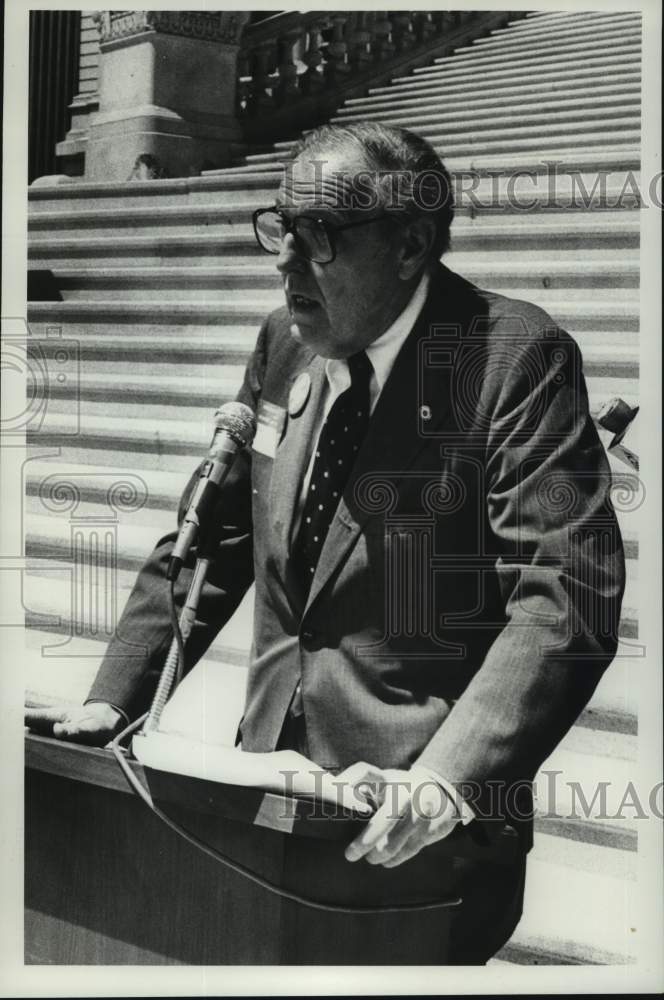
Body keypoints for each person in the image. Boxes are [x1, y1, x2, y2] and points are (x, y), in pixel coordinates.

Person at [29, 122, 625, 963]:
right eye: (280, 230)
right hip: (263, 808)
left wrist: (441, 782)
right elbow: (213, 540)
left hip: (413, 833)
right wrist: (114, 697)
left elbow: (565, 597)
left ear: (411, 244)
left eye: (318, 237)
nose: (285, 263)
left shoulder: (511, 359)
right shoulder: (284, 343)